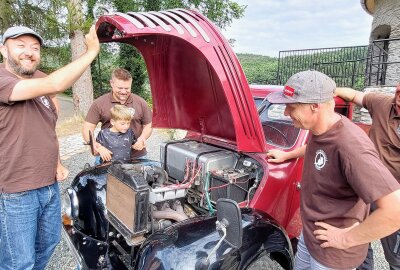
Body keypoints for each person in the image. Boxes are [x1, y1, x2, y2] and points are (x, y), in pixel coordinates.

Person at [266, 70, 400, 270]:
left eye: (290, 107)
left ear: (314, 106)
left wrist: (346, 238)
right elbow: (317, 146)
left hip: (332, 255)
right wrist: (287, 155)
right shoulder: (322, 129)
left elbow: (395, 211)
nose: (286, 113)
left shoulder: (351, 146)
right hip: (310, 235)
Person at [0, 25, 99, 270]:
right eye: (20, 45)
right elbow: (57, 84)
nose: (29, 52)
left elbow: (45, 124)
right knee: (18, 261)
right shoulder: (2, 79)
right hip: (16, 191)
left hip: (49, 185)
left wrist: (56, 161)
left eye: (35, 47)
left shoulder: (40, 78)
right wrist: (91, 51)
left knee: (49, 244)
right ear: (3, 49)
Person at [82, 68, 152, 161]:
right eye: (120, 88)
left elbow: (149, 125)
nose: (123, 91)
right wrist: (96, 146)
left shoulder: (140, 102)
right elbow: (87, 128)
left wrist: (142, 138)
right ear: (111, 83)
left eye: (127, 88)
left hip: (137, 156)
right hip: (108, 158)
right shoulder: (99, 103)